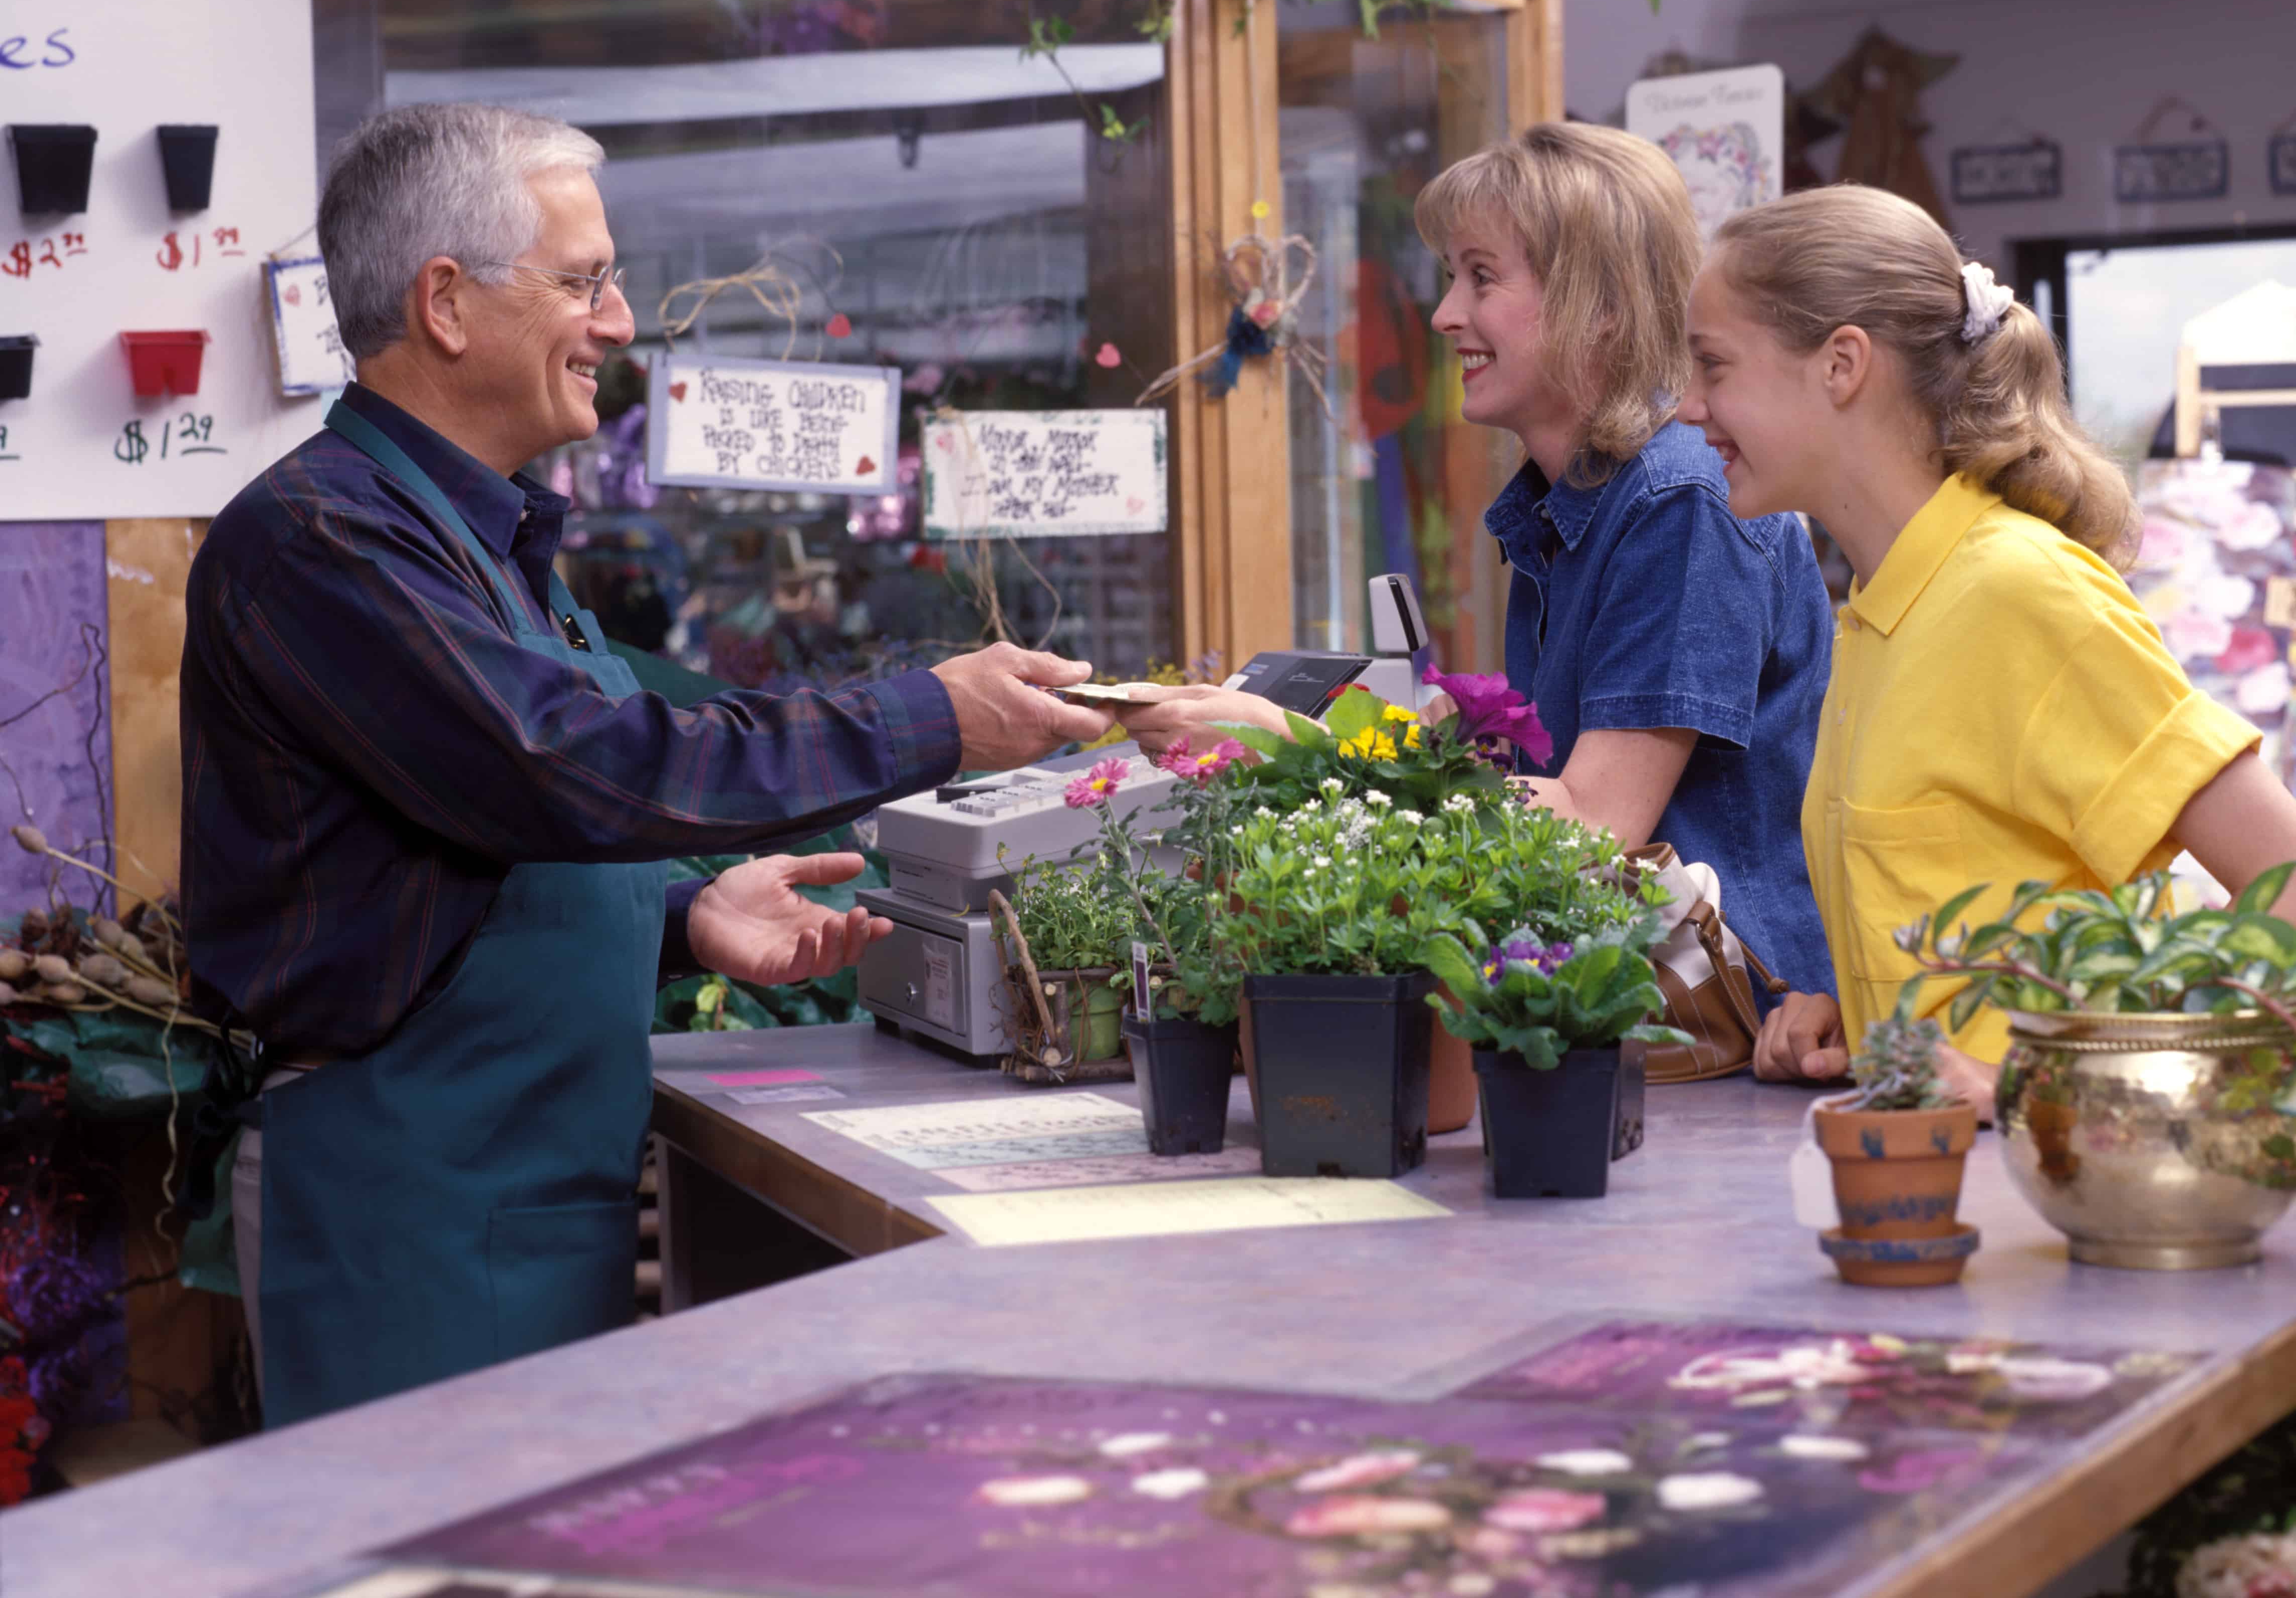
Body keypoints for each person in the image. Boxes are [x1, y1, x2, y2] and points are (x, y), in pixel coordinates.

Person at [184, 103, 1111, 1427]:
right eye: (583, 281)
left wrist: (680, 915)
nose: (619, 322)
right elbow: (572, 767)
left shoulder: (477, 543)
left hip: (512, 1192)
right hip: (413, 1208)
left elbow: (460, 840)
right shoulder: (324, 545)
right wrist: (929, 718)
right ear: (445, 303)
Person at [1126, 124, 1836, 997]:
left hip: (1724, 1033)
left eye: (1481, 276)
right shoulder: (1569, 500)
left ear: (1600, 304)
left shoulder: (1676, 503)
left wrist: (1300, 750)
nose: (1443, 314)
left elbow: (1592, 830)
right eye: (1450, 276)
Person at [1678, 183, 2296, 1109]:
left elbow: (2283, 893)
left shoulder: (2022, 593)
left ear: (1842, 364)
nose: (1688, 408)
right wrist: (1869, 1014)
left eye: (1713, 367)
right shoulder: (1879, 615)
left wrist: (2035, 1091)